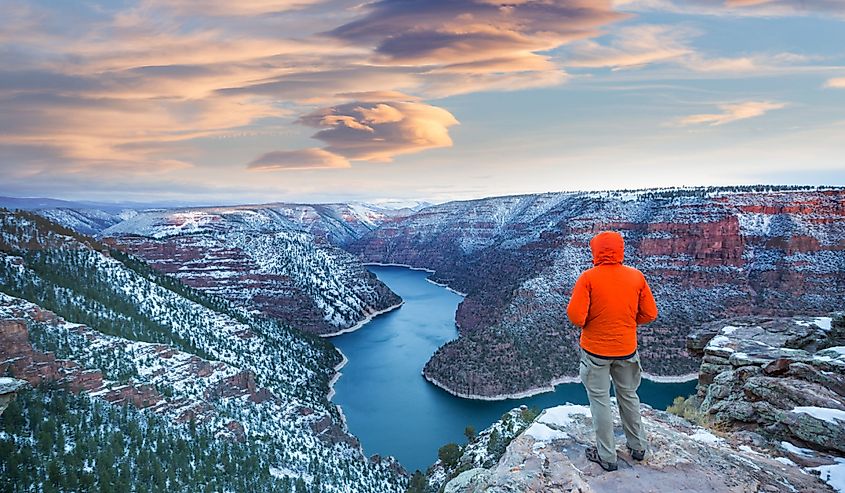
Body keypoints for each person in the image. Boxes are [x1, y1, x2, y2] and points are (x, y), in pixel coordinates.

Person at [566, 230, 658, 471]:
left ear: (596, 251)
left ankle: (607, 457)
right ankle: (638, 447)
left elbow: (576, 317)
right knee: (628, 395)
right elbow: (650, 313)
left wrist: (595, 322)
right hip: (627, 350)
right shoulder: (636, 277)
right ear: (620, 250)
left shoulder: (588, 278)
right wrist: (626, 322)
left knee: (600, 401)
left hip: (595, 352)